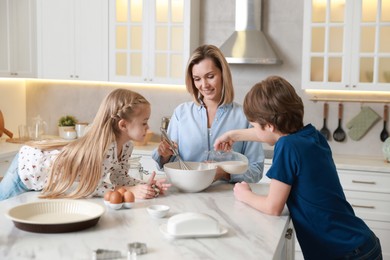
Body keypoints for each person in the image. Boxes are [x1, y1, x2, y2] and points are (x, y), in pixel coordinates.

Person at [214, 76, 382, 259]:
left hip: (345, 254)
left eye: (254, 125)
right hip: (361, 244)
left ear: (269, 125)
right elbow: (268, 133)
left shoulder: (287, 147)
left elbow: (273, 207)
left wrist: (244, 194)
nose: (254, 129)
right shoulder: (311, 135)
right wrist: (232, 135)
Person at [0, 89, 170, 201]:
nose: (148, 128)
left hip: (45, 177)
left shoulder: (126, 146)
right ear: (123, 125)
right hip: (29, 167)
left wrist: (145, 185)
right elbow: (88, 186)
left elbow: (119, 178)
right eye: (144, 123)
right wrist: (129, 190)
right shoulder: (103, 147)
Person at [152, 44, 264, 183]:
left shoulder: (244, 116)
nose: (204, 85)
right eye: (197, 79)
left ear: (223, 74)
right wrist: (164, 155)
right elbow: (169, 164)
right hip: (187, 196)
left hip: (229, 198)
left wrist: (225, 173)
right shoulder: (181, 113)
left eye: (210, 76)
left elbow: (256, 170)